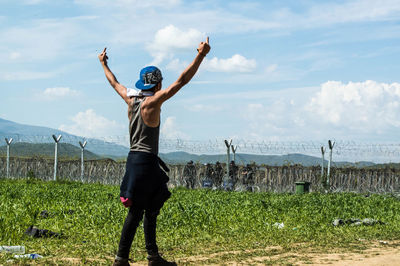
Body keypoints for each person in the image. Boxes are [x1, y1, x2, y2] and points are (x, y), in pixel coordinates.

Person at [98, 37, 211, 266]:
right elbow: (181, 81)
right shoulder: (155, 102)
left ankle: (151, 257)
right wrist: (201, 55)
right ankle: (122, 259)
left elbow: (114, 83)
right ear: (157, 84)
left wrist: (103, 63)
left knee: (149, 208)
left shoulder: (130, 100)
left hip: (134, 160)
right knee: (141, 211)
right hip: (147, 162)